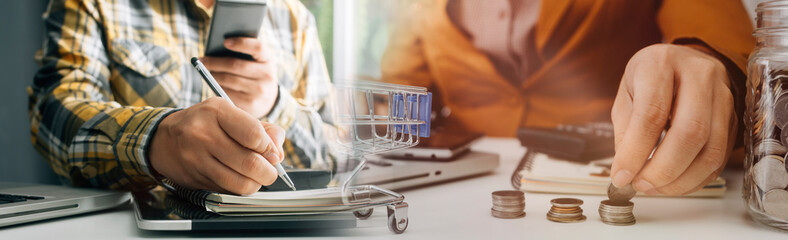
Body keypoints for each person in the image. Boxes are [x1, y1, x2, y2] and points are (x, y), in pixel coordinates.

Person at [381, 0, 755, 196]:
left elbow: (722, 39)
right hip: (466, 181)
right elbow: (399, 92)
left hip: (609, 160)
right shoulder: (416, 7)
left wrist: (706, 62)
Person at [29, 0, 332, 195]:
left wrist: (276, 105)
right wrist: (156, 141)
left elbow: (335, 153)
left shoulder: (295, 19)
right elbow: (53, 117)